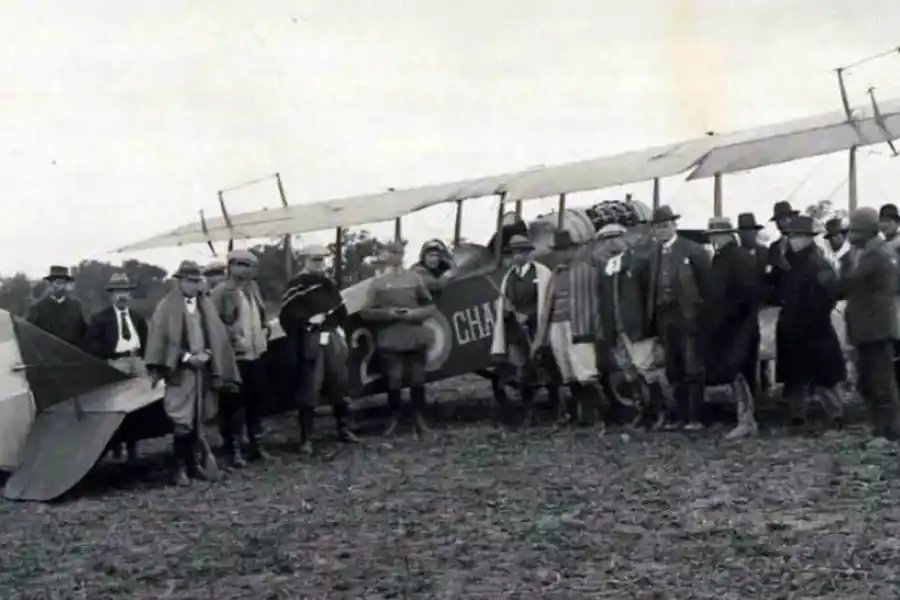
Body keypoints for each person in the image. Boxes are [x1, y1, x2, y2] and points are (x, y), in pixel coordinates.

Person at [144, 260, 240, 486]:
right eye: (189, 281)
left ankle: (193, 464)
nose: (194, 285)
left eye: (197, 281)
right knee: (182, 420)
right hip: (181, 372)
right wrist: (187, 358)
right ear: (180, 281)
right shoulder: (166, 307)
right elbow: (162, 341)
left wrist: (208, 354)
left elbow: (215, 336)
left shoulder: (205, 306)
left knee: (200, 418)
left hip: (203, 372)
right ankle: (179, 470)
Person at [279, 244, 360, 454]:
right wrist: (307, 321)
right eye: (314, 260)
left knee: (339, 382)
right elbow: (286, 316)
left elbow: (341, 309)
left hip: (333, 337)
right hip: (310, 339)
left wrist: (341, 328)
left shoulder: (327, 284)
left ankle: (343, 428)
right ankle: (307, 438)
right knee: (310, 387)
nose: (319, 264)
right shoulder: (296, 286)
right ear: (304, 261)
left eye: (322, 260)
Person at [640, 205, 712, 430]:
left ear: (674, 226)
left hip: (688, 316)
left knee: (692, 366)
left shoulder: (693, 250)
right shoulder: (653, 254)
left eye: (666, 226)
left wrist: (701, 315)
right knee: (673, 368)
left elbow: (707, 286)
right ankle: (680, 416)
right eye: (658, 227)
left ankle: (695, 417)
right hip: (664, 317)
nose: (662, 230)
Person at [772, 215, 846, 431]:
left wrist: (813, 316)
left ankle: (836, 414)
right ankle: (797, 415)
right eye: (790, 236)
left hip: (815, 327)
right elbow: (776, 289)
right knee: (795, 376)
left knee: (824, 376)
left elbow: (829, 294)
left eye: (796, 236)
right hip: (791, 326)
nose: (792, 240)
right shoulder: (787, 263)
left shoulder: (818, 263)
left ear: (808, 238)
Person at [359, 241, 437, 438]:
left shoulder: (415, 278)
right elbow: (366, 312)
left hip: (414, 336)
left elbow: (430, 306)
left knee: (418, 380)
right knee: (394, 379)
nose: (396, 256)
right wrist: (389, 314)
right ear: (384, 255)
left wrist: (414, 314)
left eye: (399, 252)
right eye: (392, 252)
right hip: (390, 339)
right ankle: (395, 418)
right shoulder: (376, 283)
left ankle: (419, 419)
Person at [841, 207, 900, 443]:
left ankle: (890, 432)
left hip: (876, 328)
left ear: (866, 230)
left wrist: (848, 259)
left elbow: (850, 281)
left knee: (881, 383)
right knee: (868, 382)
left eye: (854, 230)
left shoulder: (877, 254)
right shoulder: (868, 251)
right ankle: (879, 428)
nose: (850, 235)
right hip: (866, 328)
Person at [538, 231, 607, 428]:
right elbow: (548, 305)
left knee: (585, 370)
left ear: (575, 249)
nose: (562, 254)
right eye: (559, 251)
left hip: (579, 323)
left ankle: (597, 416)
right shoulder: (556, 273)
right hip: (557, 324)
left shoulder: (586, 268)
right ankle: (579, 415)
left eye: (566, 250)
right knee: (566, 370)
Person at [489, 234, 557, 426]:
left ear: (529, 253)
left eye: (522, 252)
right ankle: (527, 414)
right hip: (515, 333)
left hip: (537, 329)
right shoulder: (509, 276)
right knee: (522, 371)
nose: (518, 256)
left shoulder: (542, 273)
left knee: (545, 368)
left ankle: (557, 408)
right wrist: (506, 311)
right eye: (515, 253)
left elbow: (548, 301)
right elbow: (505, 303)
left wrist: (530, 316)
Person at [210, 249, 270, 466]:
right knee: (233, 404)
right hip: (235, 357)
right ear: (231, 266)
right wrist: (232, 340)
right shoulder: (220, 293)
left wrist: (264, 332)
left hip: (256, 353)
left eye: (250, 265)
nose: (247, 269)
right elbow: (214, 326)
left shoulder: (253, 289)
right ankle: (233, 449)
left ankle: (256, 445)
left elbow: (261, 317)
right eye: (242, 264)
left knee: (256, 401)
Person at [703, 217, 759, 439]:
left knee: (741, 371)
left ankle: (747, 419)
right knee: (738, 371)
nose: (713, 240)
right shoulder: (730, 257)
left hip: (738, 325)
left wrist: (726, 316)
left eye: (715, 236)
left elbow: (746, 293)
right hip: (734, 324)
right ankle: (745, 417)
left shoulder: (734, 258)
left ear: (725, 236)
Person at [85, 273, 149, 463]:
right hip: (115, 364)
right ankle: (115, 445)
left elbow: (147, 341)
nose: (122, 296)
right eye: (117, 292)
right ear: (111, 295)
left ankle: (133, 447)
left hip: (137, 362)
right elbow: (90, 344)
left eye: (125, 292)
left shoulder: (137, 318)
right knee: (116, 408)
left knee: (137, 407)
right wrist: (107, 360)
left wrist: (144, 361)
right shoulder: (100, 319)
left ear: (130, 295)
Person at [735, 213, 768, 396]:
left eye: (751, 231)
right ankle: (750, 393)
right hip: (743, 313)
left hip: (763, 309)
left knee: (764, 354)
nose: (748, 235)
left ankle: (763, 387)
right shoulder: (735, 254)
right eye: (744, 232)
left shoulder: (764, 252)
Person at [27, 265, 87, 349]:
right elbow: (30, 335)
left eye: (61, 283)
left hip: (72, 358)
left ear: (66, 285)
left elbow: (84, 334)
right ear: (49, 284)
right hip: (47, 357)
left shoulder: (76, 306)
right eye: (55, 282)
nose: (58, 286)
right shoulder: (38, 308)